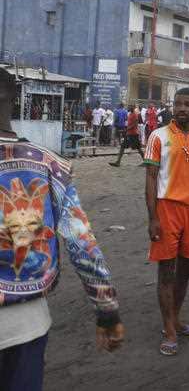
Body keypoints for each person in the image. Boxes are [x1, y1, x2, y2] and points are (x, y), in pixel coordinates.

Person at [0, 69, 124, 390]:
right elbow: (82, 243)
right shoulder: (49, 166)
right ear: (14, 97)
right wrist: (107, 310)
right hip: (24, 326)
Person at [144, 87, 189, 356]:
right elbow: (151, 178)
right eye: (178, 103)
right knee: (166, 271)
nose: (181, 108)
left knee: (186, 270)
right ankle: (170, 330)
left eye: (187, 104)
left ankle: (176, 318)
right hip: (166, 209)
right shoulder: (158, 136)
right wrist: (152, 217)